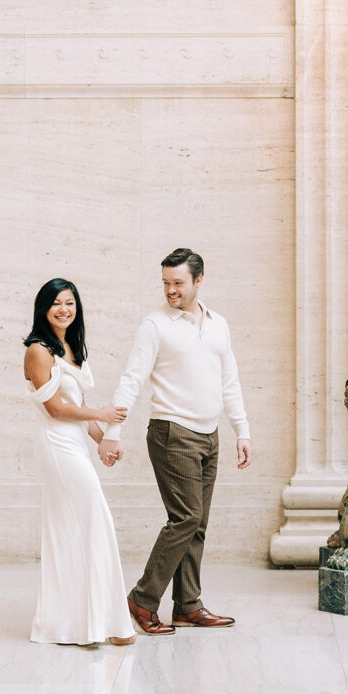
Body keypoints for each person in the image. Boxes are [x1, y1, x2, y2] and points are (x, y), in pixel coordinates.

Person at [98, 248, 252, 635]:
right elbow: (131, 379)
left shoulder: (218, 325)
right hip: (172, 432)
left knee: (197, 525)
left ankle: (187, 606)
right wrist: (112, 434)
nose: (170, 290)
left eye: (178, 283)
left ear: (198, 281)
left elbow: (229, 381)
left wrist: (242, 430)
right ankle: (142, 600)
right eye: (166, 283)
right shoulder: (155, 326)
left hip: (210, 434)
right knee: (186, 518)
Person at [23, 277, 136, 646]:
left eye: (69, 302)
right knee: (90, 520)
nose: (64, 309)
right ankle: (93, 623)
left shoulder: (71, 347)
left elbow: (80, 412)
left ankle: (88, 623)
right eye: (56, 303)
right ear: (44, 308)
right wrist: (103, 411)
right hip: (56, 445)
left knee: (76, 527)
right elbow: (55, 408)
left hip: (74, 442)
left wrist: (104, 440)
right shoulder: (38, 350)